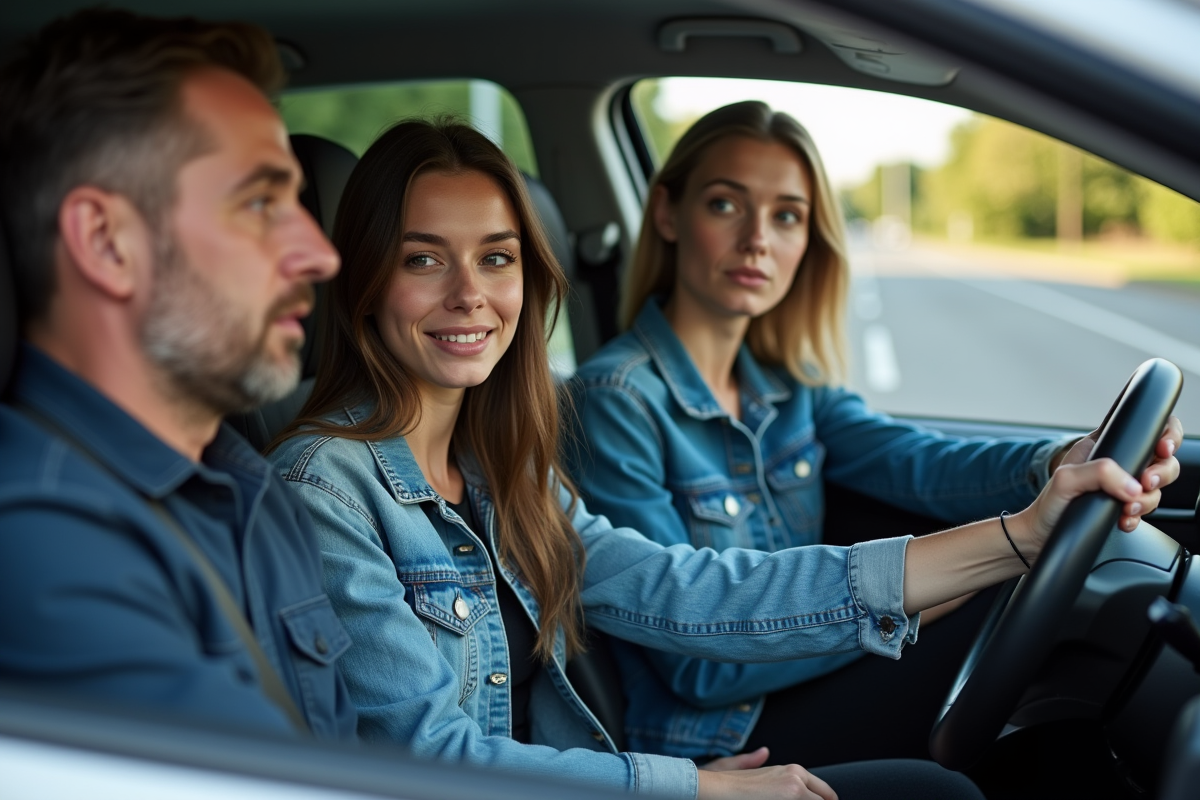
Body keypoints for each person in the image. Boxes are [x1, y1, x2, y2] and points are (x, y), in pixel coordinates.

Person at [268, 117, 1178, 800]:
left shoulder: (506, 466)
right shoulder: (324, 488)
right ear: (364, 280)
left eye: (496, 259)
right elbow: (430, 763)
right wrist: (697, 787)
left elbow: (687, 592)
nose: (470, 294)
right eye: (425, 259)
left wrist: (1027, 531)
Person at [568, 100, 1184, 766]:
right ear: (667, 213)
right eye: (725, 205)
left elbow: (920, 461)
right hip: (723, 736)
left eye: (786, 216)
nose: (757, 240)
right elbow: (700, 668)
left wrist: (1063, 459)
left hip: (805, 678)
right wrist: (943, 585)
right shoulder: (614, 401)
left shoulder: (790, 388)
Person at [0, 9, 353, 738]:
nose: (321, 255)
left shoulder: (252, 491)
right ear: (106, 243)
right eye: (260, 202)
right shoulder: (38, 538)